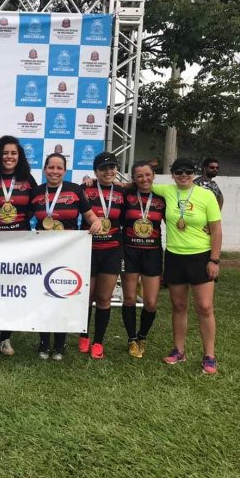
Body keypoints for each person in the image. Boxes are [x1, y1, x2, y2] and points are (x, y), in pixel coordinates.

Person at [31, 153, 102, 360]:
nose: (55, 171)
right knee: (43, 295)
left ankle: (60, 343)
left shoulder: (75, 190)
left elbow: (89, 214)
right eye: (51, 167)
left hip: (69, 252)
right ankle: (44, 342)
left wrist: (96, 221)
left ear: (65, 170)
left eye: (59, 168)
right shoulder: (36, 192)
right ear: (45, 169)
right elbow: (23, 217)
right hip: (44, 253)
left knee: (62, 294)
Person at [154, 157, 222, 374]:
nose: (183, 175)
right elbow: (140, 183)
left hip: (201, 256)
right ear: (172, 174)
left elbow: (216, 230)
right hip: (174, 256)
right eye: (178, 171)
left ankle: (209, 355)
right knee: (179, 306)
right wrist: (93, 180)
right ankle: (179, 350)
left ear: (194, 173)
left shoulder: (206, 195)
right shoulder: (166, 191)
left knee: (205, 306)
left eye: (188, 171)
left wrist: (214, 260)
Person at [0, 136, 37, 357]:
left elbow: (37, 205)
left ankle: (6, 338)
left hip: (19, 242)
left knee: (13, 290)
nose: (9, 157)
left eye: (13, 153)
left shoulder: (27, 179)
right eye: (5, 153)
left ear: (19, 156)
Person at [80, 152, 127, 359]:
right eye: (103, 168)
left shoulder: (122, 191)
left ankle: (98, 341)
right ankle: (83, 335)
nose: (108, 171)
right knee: (87, 297)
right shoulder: (85, 189)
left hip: (112, 251)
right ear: (95, 171)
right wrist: (85, 182)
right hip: (88, 250)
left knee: (104, 298)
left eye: (112, 167)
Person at [120, 161, 166, 358]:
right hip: (129, 251)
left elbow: (176, 220)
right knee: (130, 298)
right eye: (139, 176)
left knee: (151, 302)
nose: (144, 179)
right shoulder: (126, 196)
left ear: (153, 175)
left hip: (152, 253)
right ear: (133, 178)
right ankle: (131, 339)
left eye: (147, 174)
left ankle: (142, 336)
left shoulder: (162, 198)